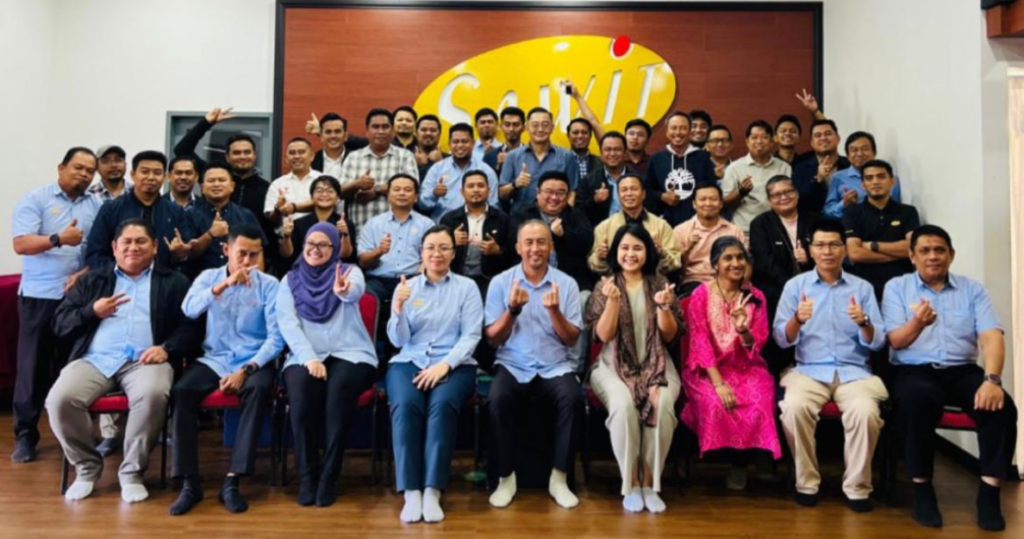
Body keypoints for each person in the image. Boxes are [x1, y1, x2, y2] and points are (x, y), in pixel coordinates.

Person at [46, 219, 200, 503]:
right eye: (126, 242)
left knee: (153, 394)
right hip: (95, 359)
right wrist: (92, 311)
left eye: (140, 241)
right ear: (114, 248)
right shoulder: (93, 280)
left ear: (154, 247)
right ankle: (86, 468)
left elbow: (191, 326)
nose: (133, 247)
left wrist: (167, 347)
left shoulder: (174, 282)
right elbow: (60, 323)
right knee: (59, 399)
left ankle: (131, 473)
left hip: (146, 360)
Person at [883, 225, 1017, 531]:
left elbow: (992, 336)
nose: (933, 257)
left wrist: (992, 379)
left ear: (951, 255)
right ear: (912, 256)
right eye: (925, 251)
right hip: (914, 368)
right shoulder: (897, 287)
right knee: (915, 402)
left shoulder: (972, 289)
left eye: (939, 250)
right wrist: (917, 323)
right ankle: (923, 491)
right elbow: (896, 341)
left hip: (962, 370)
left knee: (1002, 408)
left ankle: (989, 494)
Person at [773, 220, 888, 512]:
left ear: (844, 249)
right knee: (794, 410)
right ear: (810, 250)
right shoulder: (795, 287)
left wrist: (864, 323)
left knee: (865, 413)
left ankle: (857, 488)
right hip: (808, 370)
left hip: (854, 372)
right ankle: (806, 482)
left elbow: (878, 342)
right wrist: (797, 320)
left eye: (834, 245)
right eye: (821, 245)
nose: (827, 251)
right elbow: (780, 339)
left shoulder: (861, 288)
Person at [169, 224, 284, 516]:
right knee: (182, 391)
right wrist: (223, 286)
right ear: (226, 251)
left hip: (253, 360)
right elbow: (189, 309)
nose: (247, 262)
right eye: (241, 254)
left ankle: (233, 479)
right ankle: (189, 482)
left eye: (254, 255)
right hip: (214, 358)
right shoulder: (208, 278)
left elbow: (275, 338)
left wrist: (245, 370)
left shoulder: (270, 285)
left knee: (258, 389)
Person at [10, 147, 103, 463]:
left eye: (90, 170)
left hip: (78, 300)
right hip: (40, 296)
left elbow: (100, 251)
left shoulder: (96, 204)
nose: (84, 174)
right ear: (61, 167)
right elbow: (21, 244)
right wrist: (58, 239)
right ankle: (25, 436)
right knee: (32, 368)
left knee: (73, 366)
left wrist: (84, 272)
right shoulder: (37, 199)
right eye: (78, 167)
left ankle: (74, 439)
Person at [277, 222, 379, 507]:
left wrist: (343, 290)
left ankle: (329, 476)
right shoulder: (290, 280)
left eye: (324, 244)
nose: (315, 249)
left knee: (338, 395)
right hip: (304, 354)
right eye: (311, 243)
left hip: (352, 353)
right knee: (301, 400)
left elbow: (356, 291)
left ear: (335, 248)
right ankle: (307, 476)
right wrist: (309, 358)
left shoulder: (349, 272)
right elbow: (288, 324)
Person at [386, 225, 482, 523]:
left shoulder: (467, 288)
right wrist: (398, 309)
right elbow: (398, 341)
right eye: (430, 248)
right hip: (409, 361)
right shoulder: (406, 287)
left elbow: (471, 336)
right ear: (421, 253)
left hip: (456, 365)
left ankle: (432, 490)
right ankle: (411, 491)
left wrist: (444, 366)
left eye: (443, 248)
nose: (436, 254)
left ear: (453, 253)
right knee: (406, 406)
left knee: (441, 407)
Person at [485, 220, 583, 509]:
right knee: (498, 398)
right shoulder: (501, 282)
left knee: (573, 399)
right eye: (528, 242)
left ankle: (559, 477)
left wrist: (554, 312)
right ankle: (505, 477)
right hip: (513, 362)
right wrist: (513, 310)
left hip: (555, 364)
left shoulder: (566, 284)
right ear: (518, 248)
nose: (535, 248)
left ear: (551, 247)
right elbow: (492, 339)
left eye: (541, 242)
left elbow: (570, 339)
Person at [586, 224, 683, 514]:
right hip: (612, 365)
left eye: (637, 248)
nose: (630, 254)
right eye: (625, 248)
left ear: (648, 252)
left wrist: (665, 308)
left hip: (657, 363)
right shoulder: (605, 285)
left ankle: (649, 482)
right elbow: (602, 336)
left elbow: (670, 337)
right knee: (623, 404)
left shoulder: (660, 283)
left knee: (663, 403)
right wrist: (613, 301)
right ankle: (630, 483)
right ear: (616, 252)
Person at [681, 236, 781, 490]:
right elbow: (700, 341)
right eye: (728, 258)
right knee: (717, 403)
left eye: (740, 257)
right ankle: (732, 461)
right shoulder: (700, 295)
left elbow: (758, 342)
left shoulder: (755, 296)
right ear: (715, 264)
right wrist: (719, 384)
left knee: (758, 402)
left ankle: (744, 463)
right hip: (707, 369)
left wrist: (743, 330)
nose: (735, 263)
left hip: (747, 367)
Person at [173, 108, 274, 254]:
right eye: (236, 153)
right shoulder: (215, 176)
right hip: (206, 256)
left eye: (247, 152)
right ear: (227, 156)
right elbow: (182, 150)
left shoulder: (267, 188)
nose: (242, 156)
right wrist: (206, 123)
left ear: (254, 155)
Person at [85, 150, 191, 269]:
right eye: (144, 172)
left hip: (163, 283)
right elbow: (95, 254)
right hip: (119, 283)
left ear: (165, 177)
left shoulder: (176, 211)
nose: (151, 177)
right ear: (133, 174)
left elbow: (185, 255)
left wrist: (180, 255)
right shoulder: (111, 209)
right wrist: (119, 276)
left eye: (157, 173)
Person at [843, 159, 920, 300]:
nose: (875, 182)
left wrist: (873, 245)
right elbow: (855, 254)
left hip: (904, 289)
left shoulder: (907, 212)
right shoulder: (852, 213)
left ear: (892, 182)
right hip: (865, 289)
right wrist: (898, 254)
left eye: (881, 176)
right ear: (863, 185)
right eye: (869, 178)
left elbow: (913, 248)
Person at [357, 174, 435, 312]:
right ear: (388, 195)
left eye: (407, 190)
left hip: (413, 279)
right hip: (379, 280)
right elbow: (363, 261)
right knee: (365, 297)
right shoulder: (374, 224)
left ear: (416, 196)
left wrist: (419, 276)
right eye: (397, 189)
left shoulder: (427, 224)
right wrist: (379, 251)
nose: (402, 193)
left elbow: (431, 257)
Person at [749, 175, 820, 314]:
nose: (783, 197)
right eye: (776, 195)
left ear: (797, 193)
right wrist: (792, 288)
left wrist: (808, 259)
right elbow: (766, 263)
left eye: (788, 192)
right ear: (769, 200)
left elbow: (825, 253)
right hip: (776, 286)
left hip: (812, 281)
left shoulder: (815, 220)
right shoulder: (760, 224)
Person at [339, 108, 418, 229]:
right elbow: (339, 191)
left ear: (392, 131)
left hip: (399, 231)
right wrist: (357, 184)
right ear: (367, 131)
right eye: (375, 127)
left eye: (385, 127)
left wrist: (376, 190)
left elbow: (412, 186)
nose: (380, 131)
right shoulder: (353, 157)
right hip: (361, 232)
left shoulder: (405, 156)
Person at [588, 175, 680, 278]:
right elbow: (593, 265)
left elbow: (676, 263)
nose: (629, 193)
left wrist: (661, 253)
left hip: (654, 284)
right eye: (624, 190)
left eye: (634, 189)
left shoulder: (661, 225)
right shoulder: (603, 228)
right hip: (615, 285)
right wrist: (600, 257)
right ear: (618, 196)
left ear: (644, 194)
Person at [438, 170, 514, 294]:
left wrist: (497, 250)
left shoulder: (503, 219)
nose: (476, 190)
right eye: (470, 186)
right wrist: (451, 241)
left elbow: (514, 254)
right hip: (456, 278)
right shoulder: (449, 219)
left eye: (480, 186)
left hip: (490, 280)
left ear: (489, 191)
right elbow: (438, 252)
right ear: (462, 192)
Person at [184, 164, 266, 277]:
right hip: (202, 283)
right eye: (211, 181)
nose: (217, 184)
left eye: (222, 180)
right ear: (202, 187)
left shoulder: (246, 215)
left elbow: (259, 251)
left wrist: (257, 282)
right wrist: (210, 234)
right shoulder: (189, 214)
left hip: (240, 281)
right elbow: (188, 253)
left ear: (232, 186)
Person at [498, 107, 581, 214]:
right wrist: (515, 184)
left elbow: (572, 192)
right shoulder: (512, 156)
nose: (540, 129)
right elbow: (501, 194)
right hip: (521, 220)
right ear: (527, 128)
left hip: (556, 219)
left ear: (552, 128)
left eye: (545, 125)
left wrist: (565, 218)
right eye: (535, 125)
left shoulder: (567, 156)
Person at [643, 111, 716, 227]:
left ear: (689, 132)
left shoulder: (703, 158)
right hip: (663, 225)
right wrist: (662, 196)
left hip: (698, 224)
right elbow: (646, 192)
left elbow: (712, 190)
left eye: (683, 128)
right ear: (667, 132)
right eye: (674, 128)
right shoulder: (656, 159)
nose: (678, 132)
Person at [673, 183, 747, 295]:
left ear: (721, 204)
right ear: (694, 204)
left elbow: (746, 263)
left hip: (729, 281)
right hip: (694, 282)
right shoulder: (681, 231)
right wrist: (687, 249)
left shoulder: (734, 231)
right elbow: (676, 270)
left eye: (713, 199)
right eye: (702, 199)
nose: (708, 203)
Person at [721, 120, 793, 233]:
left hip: (777, 230)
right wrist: (741, 192)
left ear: (772, 141)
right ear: (747, 141)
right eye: (754, 137)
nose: (759, 141)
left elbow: (790, 200)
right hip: (744, 230)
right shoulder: (734, 168)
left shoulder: (784, 167)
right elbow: (724, 203)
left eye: (764, 137)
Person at [419, 123, 499, 222]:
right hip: (443, 228)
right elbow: (422, 204)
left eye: (464, 141)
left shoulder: (486, 171)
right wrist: (434, 194)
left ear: (473, 143)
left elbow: (494, 205)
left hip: (477, 226)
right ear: (449, 144)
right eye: (455, 142)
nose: (460, 145)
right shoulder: (437, 169)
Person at [822, 132, 906, 221]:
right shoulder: (838, 177)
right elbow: (827, 212)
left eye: (865, 149)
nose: (859, 154)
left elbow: (897, 210)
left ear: (875, 152)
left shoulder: (890, 179)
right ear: (847, 155)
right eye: (854, 150)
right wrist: (843, 204)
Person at [280, 176, 356, 269]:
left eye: (330, 191)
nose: (324, 194)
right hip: (305, 271)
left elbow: (346, 256)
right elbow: (287, 255)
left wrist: (345, 234)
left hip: (335, 271)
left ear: (338, 198)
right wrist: (286, 236)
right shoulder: (299, 224)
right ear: (311, 196)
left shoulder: (345, 224)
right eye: (319, 190)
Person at [792, 119, 850, 214]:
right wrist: (818, 179)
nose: (823, 138)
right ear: (811, 143)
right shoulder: (800, 168)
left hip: (845, 221)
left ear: (838, 138)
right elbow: (799, 201)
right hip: (813, 223)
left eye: (828, 133)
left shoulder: (849, 165)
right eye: (818, 135)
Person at [264, 137, 322, 230]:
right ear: (286, 159)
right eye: (292, 153)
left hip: (318, 235)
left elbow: (327, 204)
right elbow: (270, 218)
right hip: (287, 238)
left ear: (312, 156)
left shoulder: (323, 179)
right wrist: (278, 209)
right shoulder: (277, 184)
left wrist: (293, 207)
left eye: (301, 152)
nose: (296, 156)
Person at [575, 131, 629, 226]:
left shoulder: (639, 179)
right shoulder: (588, 180)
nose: (612, 154)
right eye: (607, 150)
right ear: (601, 153)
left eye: (617, 149)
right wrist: (595, 200)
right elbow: (578, 212)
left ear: (625, 153)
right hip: (600, 234)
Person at [306, 112, 369, 178]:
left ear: (345, 135)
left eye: (337, 131)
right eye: (328, 132)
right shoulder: (312, 161)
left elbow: (372, 144)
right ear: (321, 136)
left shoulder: (357, 159)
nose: (333, 136)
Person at [483, 106, 525, 176]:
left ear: (523, 128)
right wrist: (498, 167)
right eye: (507, 125)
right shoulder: (490, 156)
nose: (511, 129)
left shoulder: (532, 154)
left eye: (516, 125)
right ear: (500, 127)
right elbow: (486, 182)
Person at [412, 114, 446, 180]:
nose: (428, 133)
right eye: (424, 130)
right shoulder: (407, 157)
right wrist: (413, 165)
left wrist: (441, 163)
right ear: (416, 133)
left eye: (433, 130)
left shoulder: (449, 159)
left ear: (439, 134)